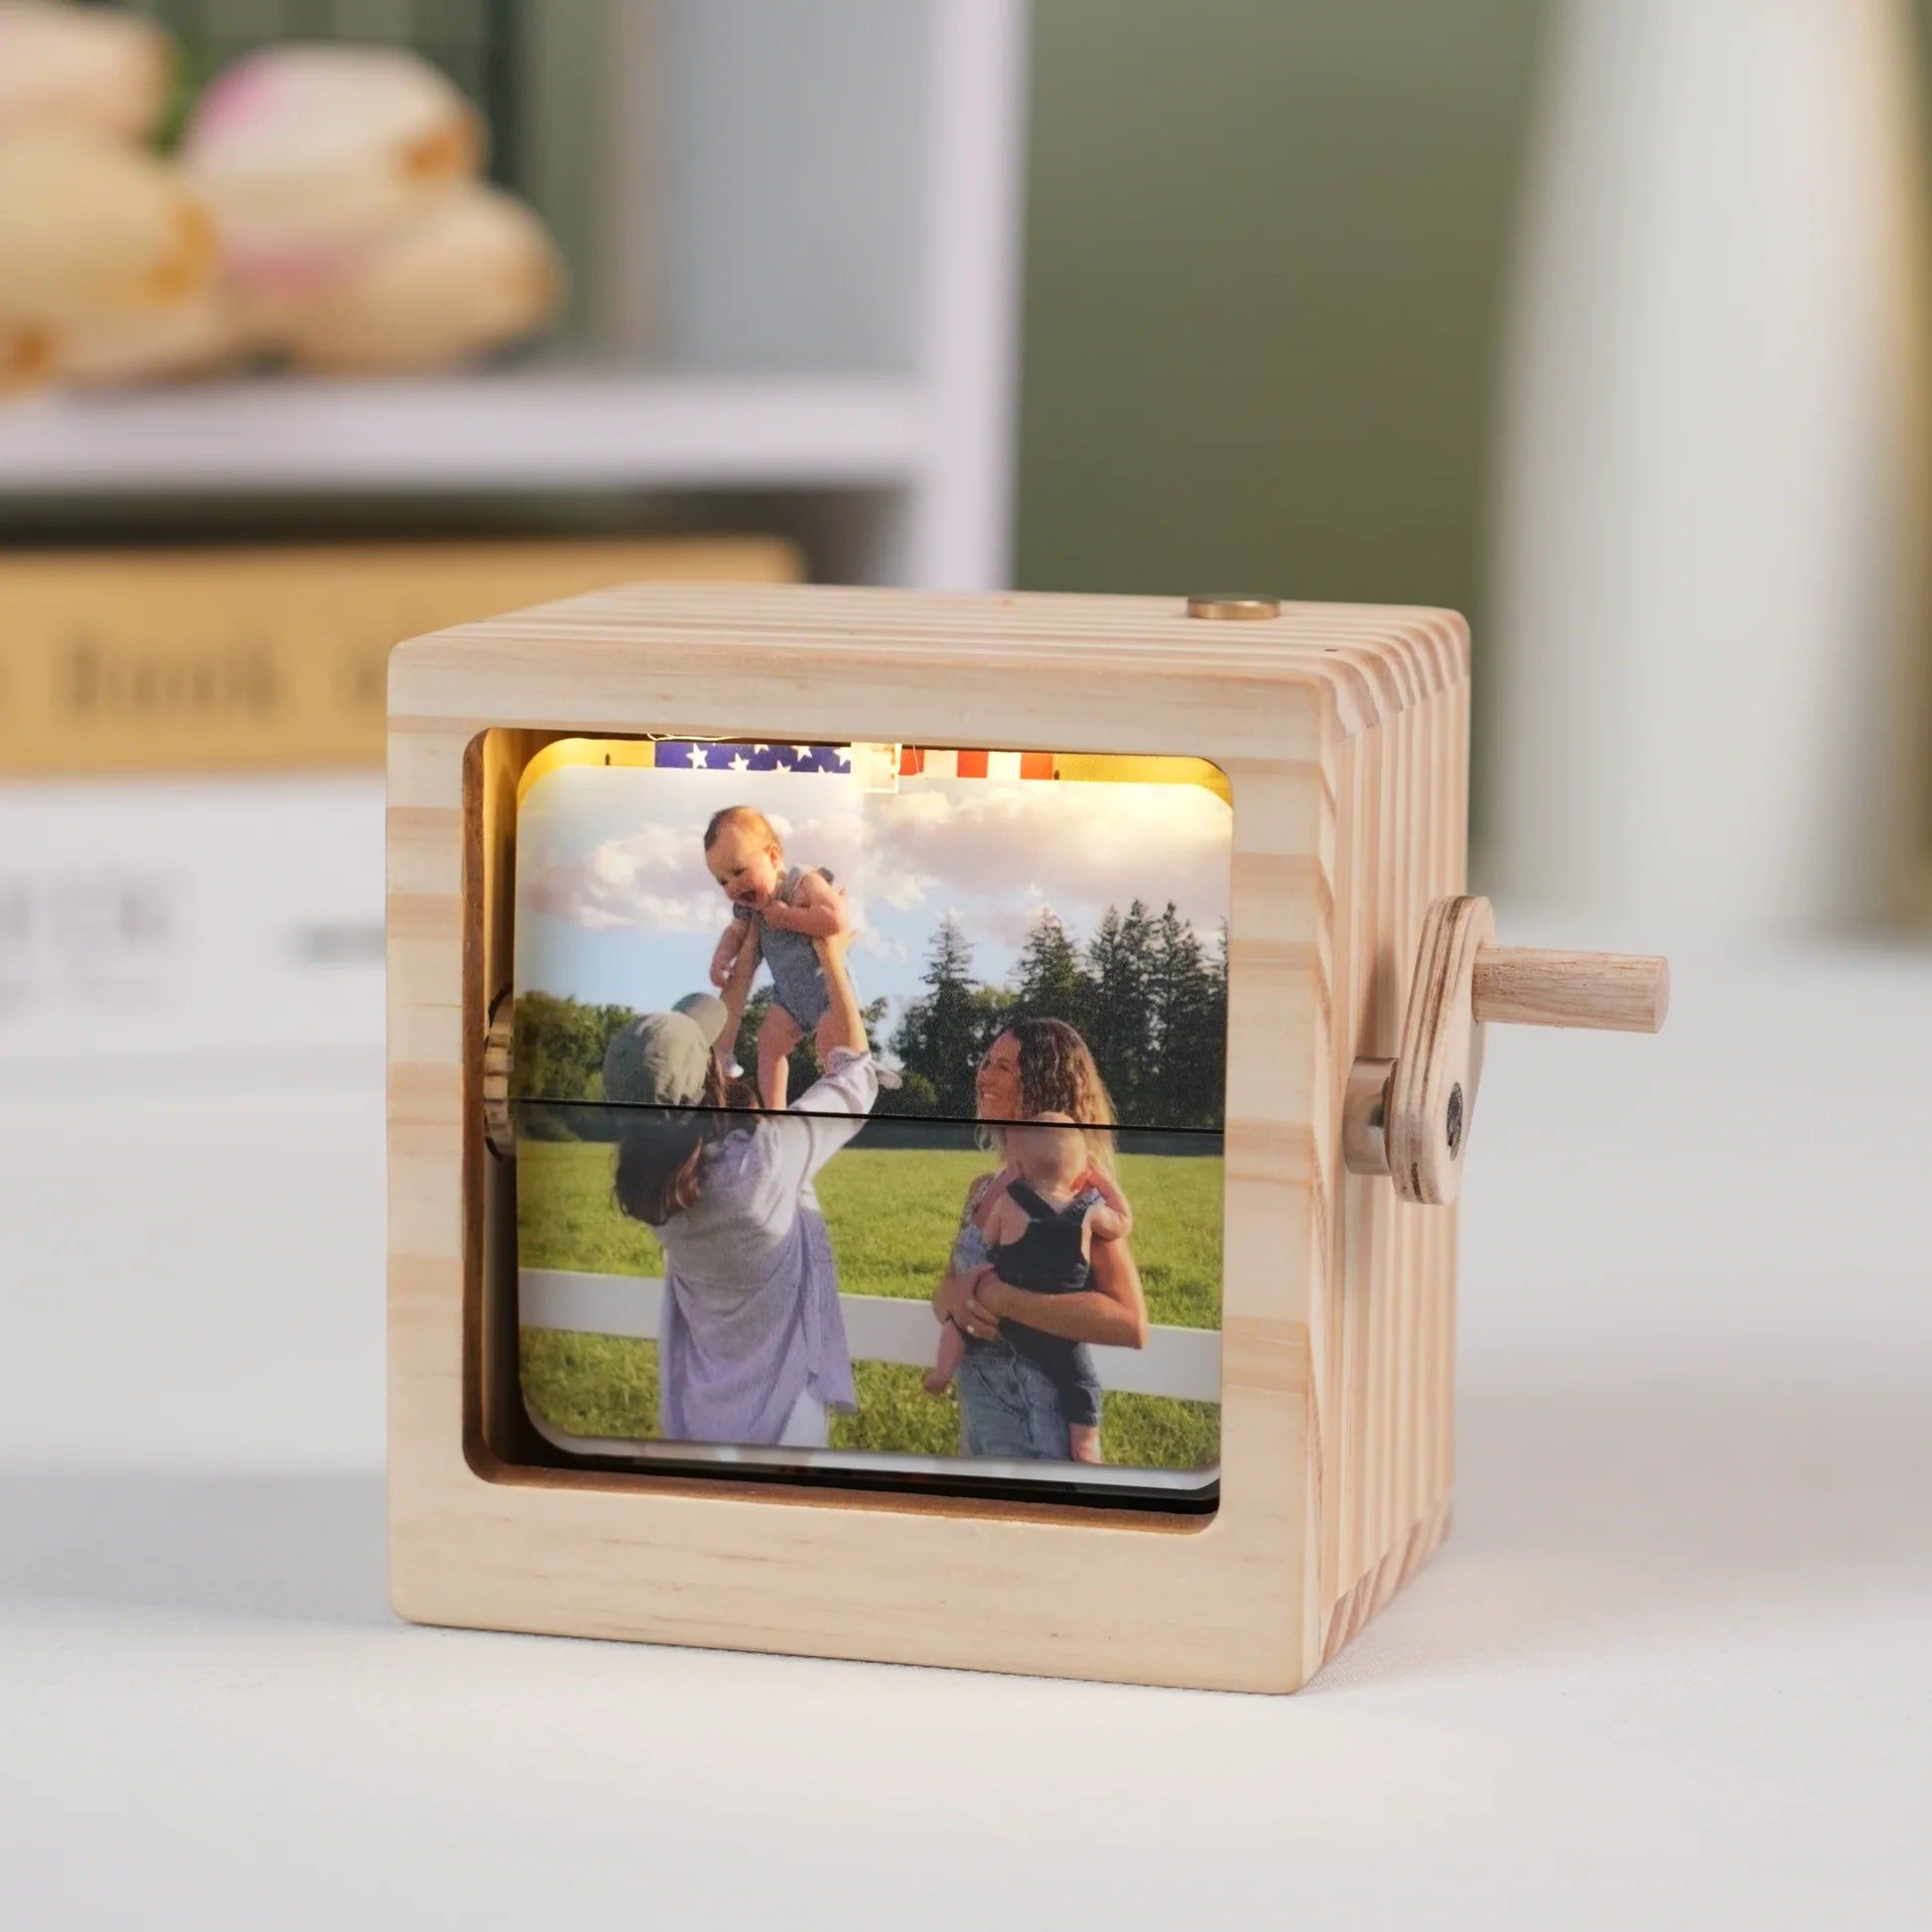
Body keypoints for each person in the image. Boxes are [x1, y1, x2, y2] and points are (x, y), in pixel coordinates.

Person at [606, 923, 877, 1448]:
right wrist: (831, 952)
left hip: (698, 1418)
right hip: (784, 1426)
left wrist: (749, 955)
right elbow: (856, 1078)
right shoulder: (761, 1164)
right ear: (711, 1077)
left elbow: (714, 1056)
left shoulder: (656, 1187)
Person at [930, 1021, 1149, 1461]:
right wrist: (955, 1297)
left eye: (1004, 1067)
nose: (984, 1075)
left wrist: (1000, 1297)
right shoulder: (981, 1190)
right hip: (980, 1427)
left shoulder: (1076, 1199)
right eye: (987, 1062)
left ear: (1043, 1086)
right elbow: (947, 1293)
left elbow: (1129, 1323)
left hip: (1039, 1432)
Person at [702, 803, 851, 1109]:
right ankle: (775, 1113)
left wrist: (787, 917)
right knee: (768, 1044)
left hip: (828, 993)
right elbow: (736, 932)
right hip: (787, 1000)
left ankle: (833, 1108)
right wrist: (722, 957)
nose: (732, 887)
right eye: (723, 881)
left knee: (831, 1049)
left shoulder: (803, 881)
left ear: (771, 856)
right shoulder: (750, 909)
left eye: (738, 872)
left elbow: (836, 919)